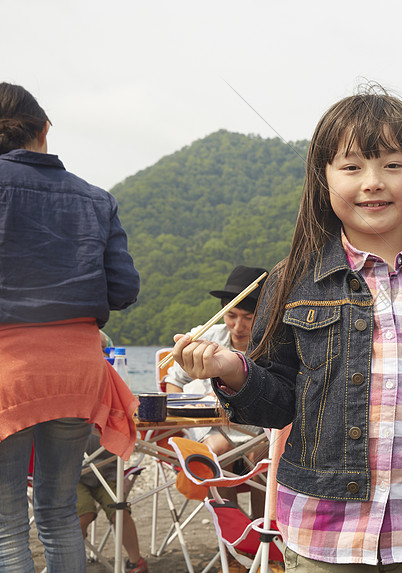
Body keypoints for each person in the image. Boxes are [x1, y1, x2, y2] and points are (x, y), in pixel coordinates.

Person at [169, 87, 402, 572]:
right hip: (324, 528)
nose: (373, 182)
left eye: (393, 164)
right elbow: (279, 401)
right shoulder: (290, 281)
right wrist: (232, 371)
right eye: (351, 167)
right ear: (323, 179)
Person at [0, 83, 140, 572]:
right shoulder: (95, 199)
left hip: (7, 370)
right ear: (45, 131)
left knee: (5, 524)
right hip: (79, 372)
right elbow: (123, 290)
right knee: (59, 511)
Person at [162, 265, 268, 518]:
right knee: (217, 450)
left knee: (264, 458)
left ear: (264, 314)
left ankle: (262, 534)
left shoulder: (271, 344)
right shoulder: (206, 338)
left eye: (247, 317)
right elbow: (174, 380)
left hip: (258, 430)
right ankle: (232, 536)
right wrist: (183, 411)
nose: (237, 326)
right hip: (213, 428)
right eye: (231, 315)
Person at [78, 431, 148, 573]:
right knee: (84, 514)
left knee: (120, 512)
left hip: (108, 471)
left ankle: (136, 562)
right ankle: (74, 562)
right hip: (73, 475)